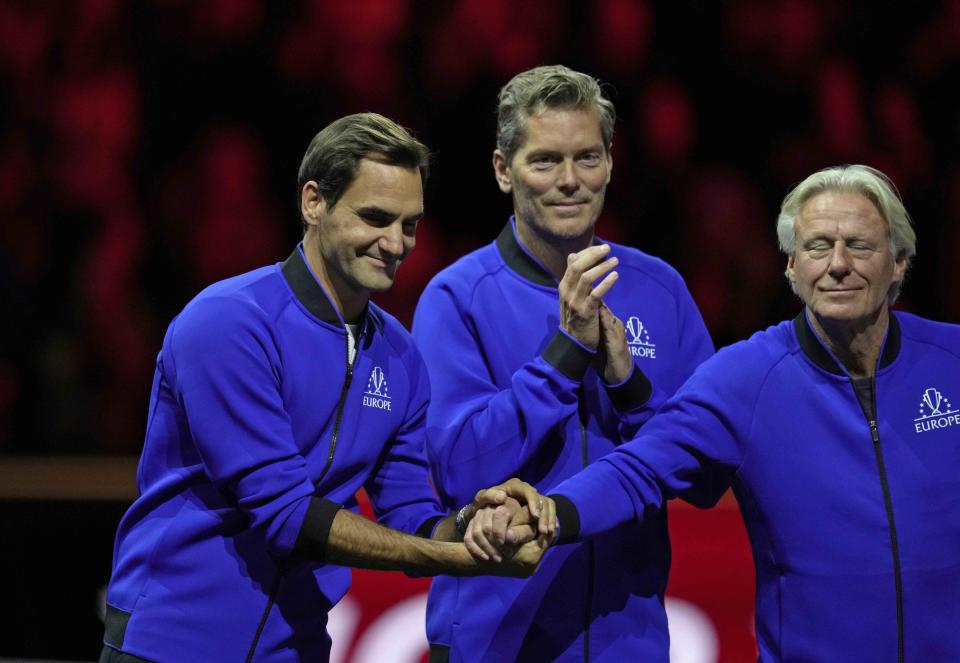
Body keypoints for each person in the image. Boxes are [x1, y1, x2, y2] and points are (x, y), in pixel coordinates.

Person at [99, 113, 551, 663]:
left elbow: (410, 515)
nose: (396, 243)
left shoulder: (403, 357)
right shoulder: (227, 323)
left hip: (299, 648)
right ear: (314, 203)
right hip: (170, 644)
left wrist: (477, 523)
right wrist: (458, 561)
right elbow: (286, 515)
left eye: (409, 224)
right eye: (375, 218)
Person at [534, 164, 960, 660]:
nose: (838, 264)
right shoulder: (744, 378)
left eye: (860, 246)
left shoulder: (951, 360)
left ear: (900, 262)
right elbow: (638, 470)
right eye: (818, 246)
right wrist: (550, 514)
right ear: (791, 266)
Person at [412, 65, 716, 661]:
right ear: (504, 171)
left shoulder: (661, 289)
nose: (569, 181)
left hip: (626, 641)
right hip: (491, 640)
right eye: (545, 160)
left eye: (587, 158)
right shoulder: (455, 298)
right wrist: (564, 354)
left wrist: (629, 386)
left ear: (610, 161)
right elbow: (459, 468)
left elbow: (706, 473)